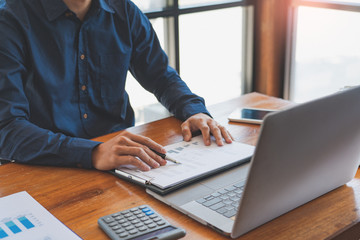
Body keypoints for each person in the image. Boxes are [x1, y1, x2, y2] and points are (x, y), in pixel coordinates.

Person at [0, 0, 233, 171]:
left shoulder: (124, 11)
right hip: (45, 165)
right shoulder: (10, 20)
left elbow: (161, 76)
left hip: (122, 160)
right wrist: (93, 152)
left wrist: (194, 110)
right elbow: (7, 128)